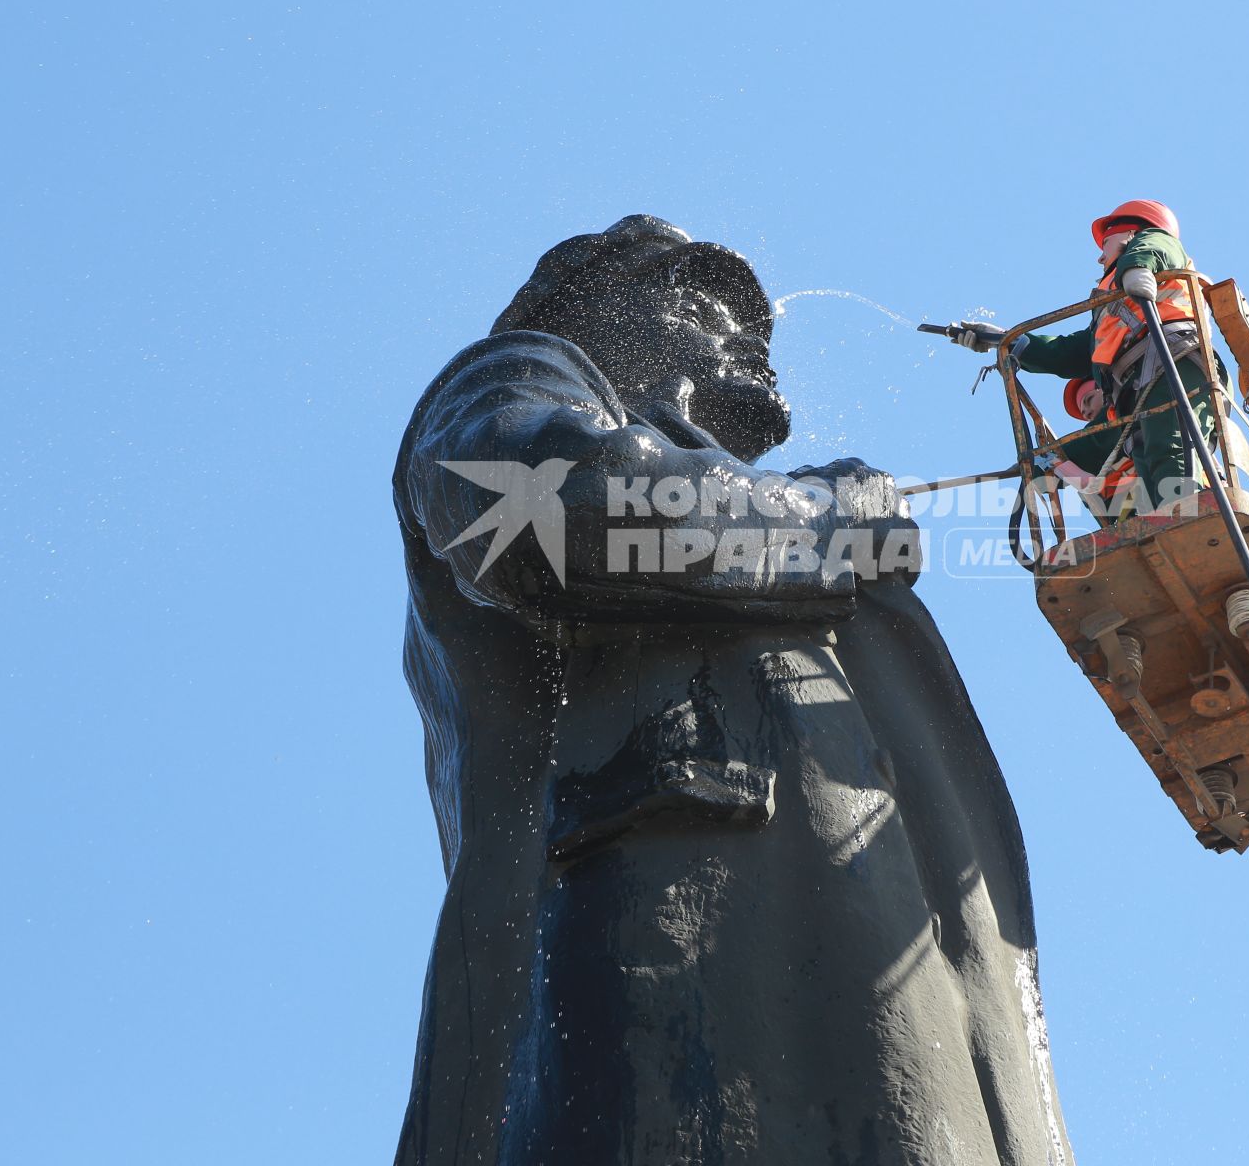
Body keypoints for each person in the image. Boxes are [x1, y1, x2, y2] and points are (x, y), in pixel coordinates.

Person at [391, 215, 1076, 1165]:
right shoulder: (519, 375)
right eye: (702, 299)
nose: (745, 330)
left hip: (910, 1030)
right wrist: (831, 517)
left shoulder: (778, 548)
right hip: (681, 984)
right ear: (603, 311)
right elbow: (550, 504)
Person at [950, 199, 1222, 513]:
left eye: (1105, 243)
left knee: (1168, 443)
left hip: (1175, 362)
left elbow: (1154, 248)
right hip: (1141, 382)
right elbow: (1070, 351)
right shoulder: (1113, 306)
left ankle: (1187, 516)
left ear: (1131, 233)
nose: (1099, 256)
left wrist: (1136, 268)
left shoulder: (1155, 246)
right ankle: (1171, 519)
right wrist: (1005, 341)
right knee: (1148, 454)